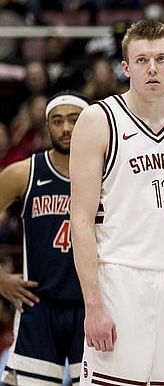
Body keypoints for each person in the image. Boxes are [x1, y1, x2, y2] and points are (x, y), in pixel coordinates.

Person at [69, 19, 164, 383]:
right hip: (121, 280)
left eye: (160, 59)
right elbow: (80, 220)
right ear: (125, 67)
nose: (151, 68)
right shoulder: (98, 120)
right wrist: (93, 306)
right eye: (141, 60)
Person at [0, 91, 89, 384]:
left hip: (92, 306)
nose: (65, 128)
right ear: (46, 126)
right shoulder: (24, 173)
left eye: (74, 120)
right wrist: (0, 278)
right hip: (39, 305)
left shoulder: (109, 173)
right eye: (57, 121)